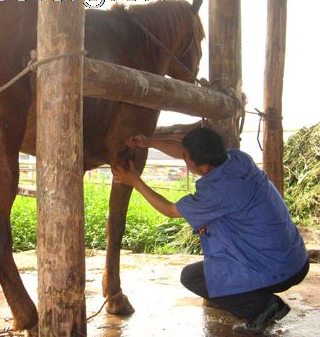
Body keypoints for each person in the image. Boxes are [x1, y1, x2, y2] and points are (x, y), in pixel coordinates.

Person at [112, 127, 309, 333]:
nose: (183, 158)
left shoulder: (217, 192)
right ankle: (262, 305)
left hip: (279, 270)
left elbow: (170, 210)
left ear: (203, 167)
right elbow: (185, 150)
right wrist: (148, 142)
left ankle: (263, 307)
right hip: (295, 259)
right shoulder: (238, 160)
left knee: (194, 278)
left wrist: (135, 180)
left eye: (186, 158)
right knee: (213, 262)